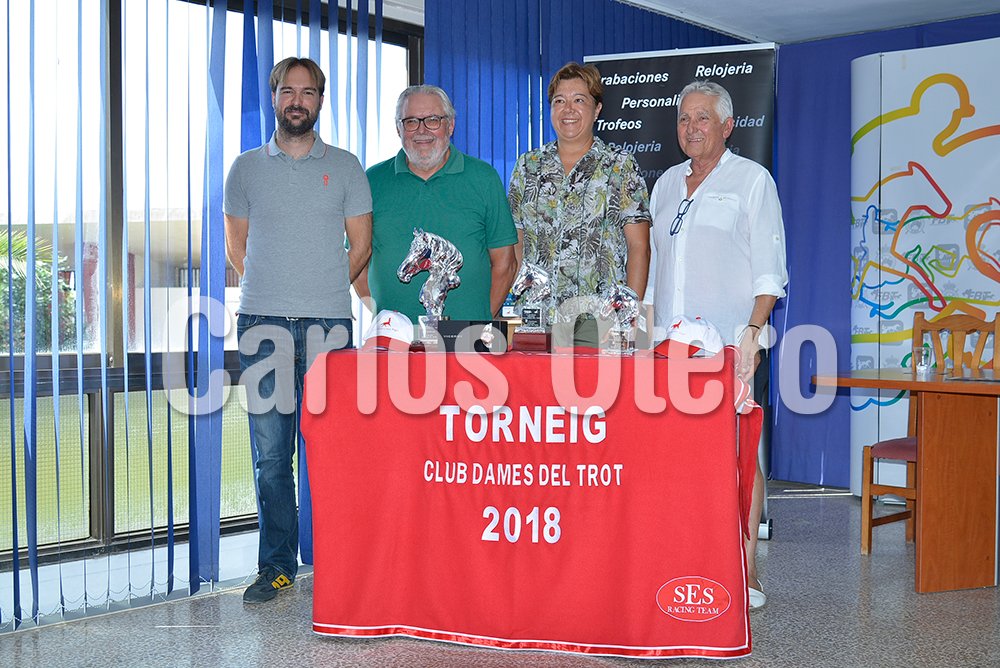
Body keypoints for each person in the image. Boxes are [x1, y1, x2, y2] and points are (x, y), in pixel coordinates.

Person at [223, 57, 373, 604]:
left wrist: (324, 287)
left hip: (330, 327)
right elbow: (236, 247)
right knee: (270, 456)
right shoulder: (244, 168)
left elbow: (362, 247)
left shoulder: (348, 167)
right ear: (275, 96)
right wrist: (272, 290)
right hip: (262, 325)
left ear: (320, 101)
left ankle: (341, 563)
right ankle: (277, 566)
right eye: (289, 90)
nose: (298, 101)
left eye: (308, 93)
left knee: (336, 451)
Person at [645, 80, 788, 610]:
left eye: (703, 118)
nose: (691, 128)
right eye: (684, 119)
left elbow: (771, 272)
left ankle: (743, 573)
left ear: (727, 126)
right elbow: (656, 273)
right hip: (667, 350)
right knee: (675, 463)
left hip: (732, 346)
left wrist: (752, 333)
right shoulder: (663, 185)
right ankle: (682, 562)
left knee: (736, 460)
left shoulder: (753, 181)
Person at [508, 62, 651, 347]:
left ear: (597, 109)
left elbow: (639, 246)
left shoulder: (620, 166)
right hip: (536, 320)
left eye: (579, 100)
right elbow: (516, 244)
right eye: (559, 101)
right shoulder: (528, 166)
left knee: (591, 392)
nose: (568, 109)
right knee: (532, 392)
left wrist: (629, 320)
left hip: (600, 322)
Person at [354, 85, 517, 322]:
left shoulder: (484, 179)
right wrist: (386, 320)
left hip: (466, 345)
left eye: (432, 120)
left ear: (450, 125)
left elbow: (505, 264)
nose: (422, 131)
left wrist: (478, 322)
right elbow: (358, 261)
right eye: (411, 121)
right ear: (398, 129)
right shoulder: (372, 180)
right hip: (393, 345)